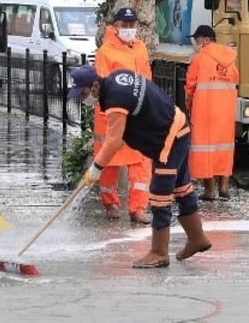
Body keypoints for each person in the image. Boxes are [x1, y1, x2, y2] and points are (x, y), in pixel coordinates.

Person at [71, 64, 211, 269]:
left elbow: (113, 141)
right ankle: (197, 238)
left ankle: (159, 252)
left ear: (94, 85)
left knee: (159, 196)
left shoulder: (115, 99)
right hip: (178, 128)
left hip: (168, 139)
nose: (83, 99)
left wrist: (96, 168)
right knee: (181, 188)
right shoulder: (118, 77)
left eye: (83, 93)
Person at [92, 7, 153, 225]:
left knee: (141, 163)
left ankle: (138, 208)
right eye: (125, 25)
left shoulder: (140, 48)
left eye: (132, 25)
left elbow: (147, 79)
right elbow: (103, 85)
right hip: (115, 114)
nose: (129, 29)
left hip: (138, 113)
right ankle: (111, 203)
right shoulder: (105, 51)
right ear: (116, 26)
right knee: (110, 162)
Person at [185, 25, 239, 201]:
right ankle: (224, 187)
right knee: (224, 147)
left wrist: (189, 104)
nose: (196, 43)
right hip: (226, 111)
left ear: (205, 40)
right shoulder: (230, 58)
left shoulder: (200, 58)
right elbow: (235, 80)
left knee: (204, 150)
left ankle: (210, 191)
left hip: (204, 111)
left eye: (197, 39)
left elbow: (191, 85)